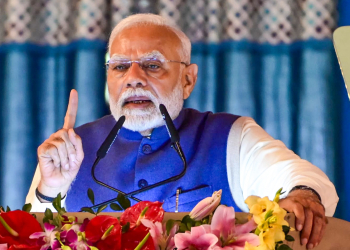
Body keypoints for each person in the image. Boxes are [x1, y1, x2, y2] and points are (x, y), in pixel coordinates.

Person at [26, 14, 338, 249]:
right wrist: (49, 190)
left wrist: (302, 196)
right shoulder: (71, 148)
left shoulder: (231, 136)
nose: (133, 78)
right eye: (120, 66)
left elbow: (299, 179)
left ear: (187, 80)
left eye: (152, 65)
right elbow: (29, 238)